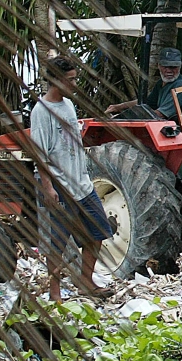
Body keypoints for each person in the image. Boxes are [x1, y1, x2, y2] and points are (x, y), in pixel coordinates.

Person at [31, 57, 115, 302]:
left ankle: (85, 281)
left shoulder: (68, 105)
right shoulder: (41, 112)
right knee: (57, 243)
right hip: (59, 185)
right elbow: (39, 152)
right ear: (55, 80)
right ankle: (55, 293)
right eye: (70, 80)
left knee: (98, 231)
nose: (75, 84)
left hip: (82, 183)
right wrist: (48, 187)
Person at [106, 47, 182, 118]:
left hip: (176, 130)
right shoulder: (161, 84)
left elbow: (160, 114)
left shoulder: (181, 86)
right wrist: (118, 107)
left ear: (179, 67)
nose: (169, 71)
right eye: (165, 66)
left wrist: (124, 118)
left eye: (173, 67)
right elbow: (145, 102)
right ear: (158, 66)